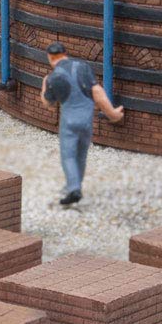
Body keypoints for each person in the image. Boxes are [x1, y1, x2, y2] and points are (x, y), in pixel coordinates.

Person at [39, 42, 124, 206]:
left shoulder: (52, 78)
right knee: (81, 155)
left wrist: (44, 87)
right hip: (86, 122)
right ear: (65, 54)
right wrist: (112, 114)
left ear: (50, 58)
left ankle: (74, 188)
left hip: (69, 123)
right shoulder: (82, 67)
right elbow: (98, 93)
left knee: (68, 156)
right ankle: (75, 184)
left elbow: (48, 103)